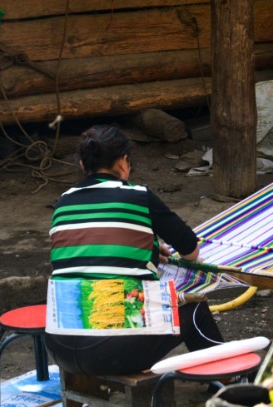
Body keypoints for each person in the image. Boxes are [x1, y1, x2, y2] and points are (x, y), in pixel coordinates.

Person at [44, 124, 224, 375]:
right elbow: (189, 248)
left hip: (59, 348)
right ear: (124, 161)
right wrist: (187, 259)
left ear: (84, 166)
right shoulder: (138, 197)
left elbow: (97, 253)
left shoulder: (63, 202)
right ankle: (227, 380)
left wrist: (148, 249)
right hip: (112, 352)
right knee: (194, 308)